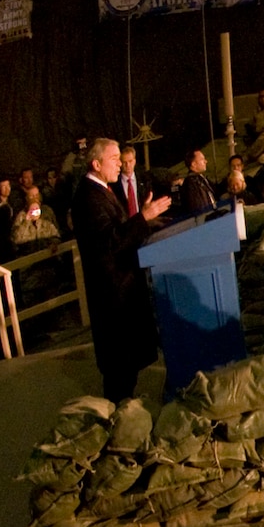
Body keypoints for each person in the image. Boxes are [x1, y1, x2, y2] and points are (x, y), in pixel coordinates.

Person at [74, 138, 171, 400]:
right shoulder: (88, 197)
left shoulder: (102, 190)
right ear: (96, 164)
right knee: (119, 370)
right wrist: (143, 218)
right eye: (114, 159)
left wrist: (148, 222)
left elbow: (119, 229)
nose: (120, 164)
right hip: (113, 297)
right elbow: (110, 241)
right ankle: (117, 422)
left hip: (122, 291)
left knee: (126, 367)